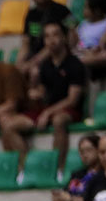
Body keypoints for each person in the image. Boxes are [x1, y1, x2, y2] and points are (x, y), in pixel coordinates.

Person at [26, 21, 87, 173]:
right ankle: (25, 168)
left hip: (70, 111)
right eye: (47, 36)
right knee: (10, 124)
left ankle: (58, 168)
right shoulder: (44, 65)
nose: (51, 40)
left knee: (59, 120)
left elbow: (72, 100)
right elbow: (42, 91)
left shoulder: (75, 64)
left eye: (55, 35)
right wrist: (35, 88)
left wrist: (48, 113)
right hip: (47, 109)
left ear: (64, 37)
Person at [16, 0, 79, 72]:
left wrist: (31, 64)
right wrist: (18, 65)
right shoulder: (31, 14)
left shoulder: (63, 10)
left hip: (57, 56)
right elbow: (26, 43)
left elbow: (74, 33)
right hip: (35, 56)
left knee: (34, 72)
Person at [54, 133, 100, 201]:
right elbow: (65, 192)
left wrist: (70, 199)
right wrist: (58, 197)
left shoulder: (104, 175)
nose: (85, 155)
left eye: (89, 150)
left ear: (98, 150)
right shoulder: (77, 174)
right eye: (82, 152)